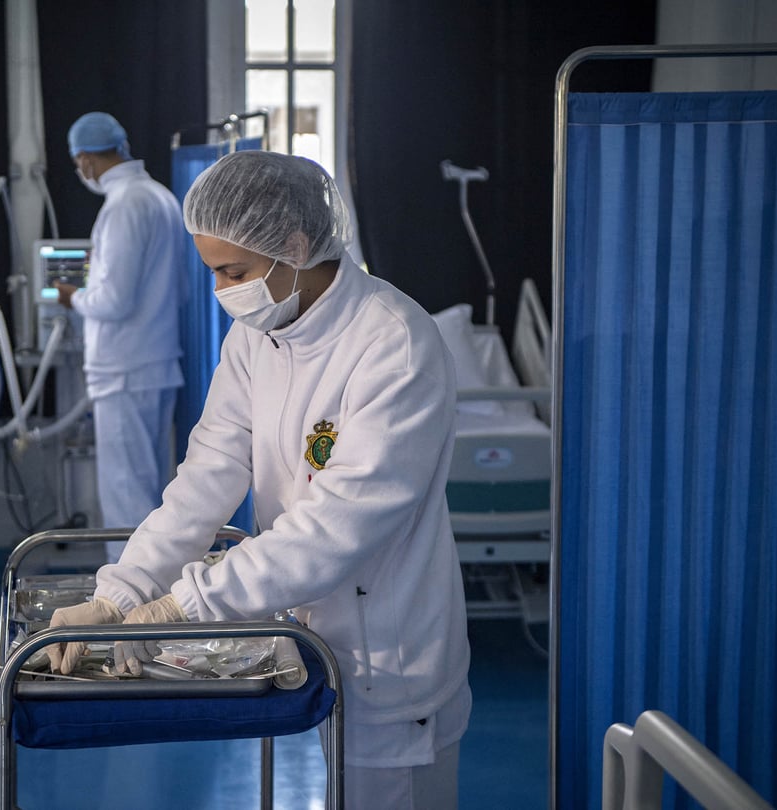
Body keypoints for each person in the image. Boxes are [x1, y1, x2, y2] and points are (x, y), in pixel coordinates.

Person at [47, 150, 471, 808]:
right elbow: (204, 479)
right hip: (310, 637)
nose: (222, 292)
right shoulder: (258, 334)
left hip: (392, 660)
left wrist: (178, 608)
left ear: (294, 247)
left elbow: (332, 530)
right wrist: (118, 596)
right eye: (213, 272)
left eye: (232, 271)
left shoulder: (393, 345)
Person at [52, 111, 188, 563]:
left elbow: (113, 301)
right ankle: (153, 603)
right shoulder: (161, 198)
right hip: (154, 363)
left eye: (78, 163)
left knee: (126, 496)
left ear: (86, 160)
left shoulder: (125, 205)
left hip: (125, 370)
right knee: (148, 493)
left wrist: (73, 298)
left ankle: (128, 612)